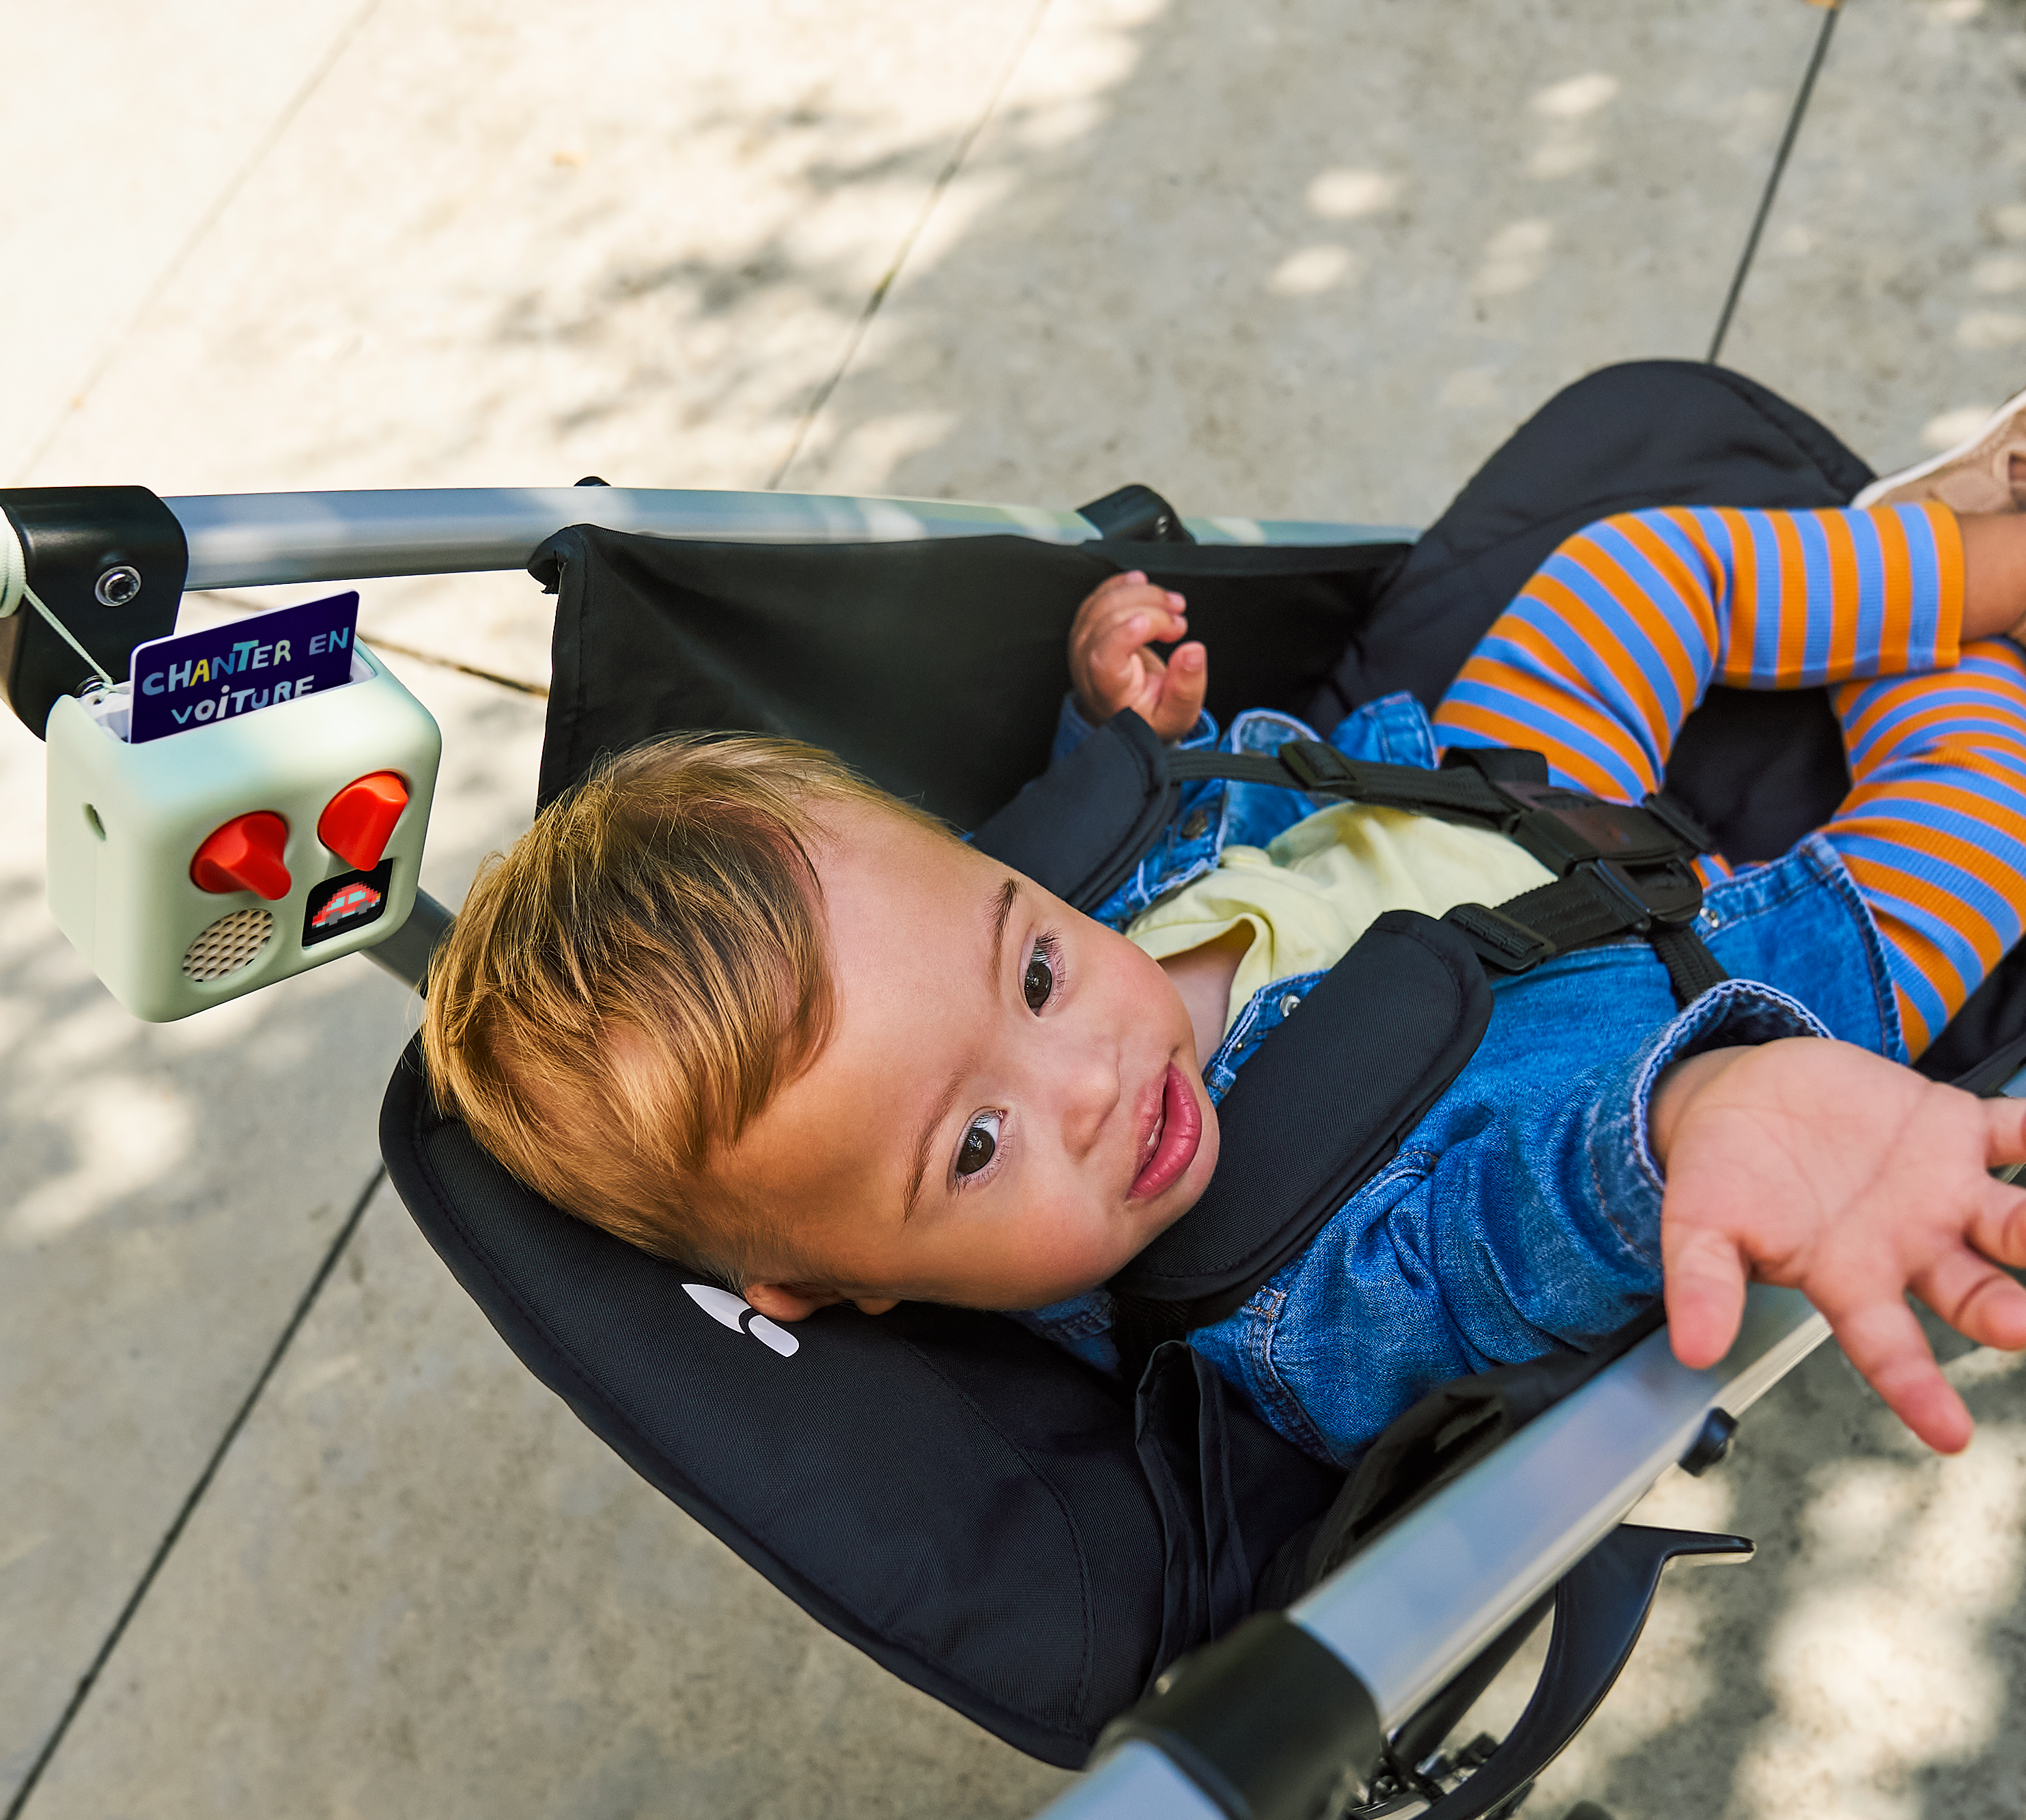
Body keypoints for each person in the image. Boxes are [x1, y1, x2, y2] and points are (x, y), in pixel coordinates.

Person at [423, 400, 2026, 1470]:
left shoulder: (965, 947)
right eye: (974, 1149)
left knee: (1630, 570)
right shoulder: (1280, 1307)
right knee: (1979, 798)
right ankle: (1940, 630)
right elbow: (1501, 1240)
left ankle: (1962, 563)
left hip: (1477, 794)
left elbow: (1066, 857)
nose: (1084, 1083)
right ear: (830, 1286)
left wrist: (1116, 726)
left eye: (1038, 969)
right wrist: (1703, 1114)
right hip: (1701, 990)